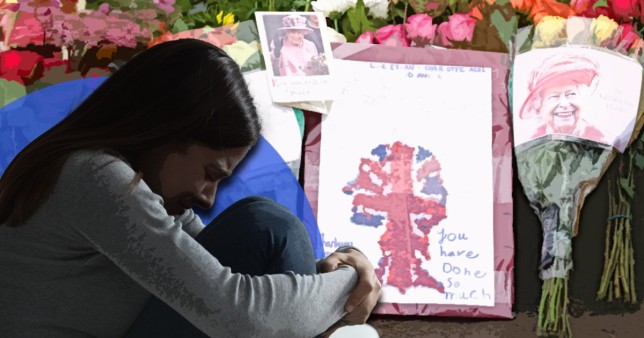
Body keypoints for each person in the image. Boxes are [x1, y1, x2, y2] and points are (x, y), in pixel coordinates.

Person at [0, 39, 380, 337]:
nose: (207, 198)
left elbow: (225, 282)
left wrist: (333, 269)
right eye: (209, 172)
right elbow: (238, 314)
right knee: (266, 226)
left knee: (269, 230)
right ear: (164, 131)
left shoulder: (132, 183)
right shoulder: (94, 176)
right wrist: (348, 285)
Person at [518, 54, 606, 144]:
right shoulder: (531, 142)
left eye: (571, 94)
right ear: (539, 107)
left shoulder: (600, 140)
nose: (564, 104)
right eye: (554, 97)